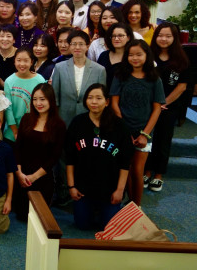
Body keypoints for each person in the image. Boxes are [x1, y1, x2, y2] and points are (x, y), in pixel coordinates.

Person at [66, 84, 133, 230]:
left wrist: (120, 190)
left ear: (107, 102)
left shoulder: (119, 126)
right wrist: (71, 186)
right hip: (83, 189)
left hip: (109, 190)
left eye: (98, 98)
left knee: (107, 228)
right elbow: (70, 158)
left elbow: (125, 162)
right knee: (82, 225)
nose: (94, 102)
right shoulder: (77, 123)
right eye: (90, 98)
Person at [110, 39, 165, 206]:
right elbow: (114, 103)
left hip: (144, 132)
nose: (135, 58)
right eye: (131, 55)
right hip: (122, 130)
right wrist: (124, 131)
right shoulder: (120, 75)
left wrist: (145, 134)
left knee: (137, 171)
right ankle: (128, 203)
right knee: (124, 168)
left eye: (139, 54)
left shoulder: (154, 79)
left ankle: (137, 206)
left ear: (147, 56)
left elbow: (157, 109)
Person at [145, 22, 191, 192]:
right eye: (160, 35)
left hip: (168, 107)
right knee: (148, 138)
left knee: (163, 139)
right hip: (149, 106)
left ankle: (158, 175)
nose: (163, 39)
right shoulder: (148, 56)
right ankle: (146, 171)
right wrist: (154, 103)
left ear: (175, 38)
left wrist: (164, 103)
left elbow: (182, 87)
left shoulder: (182, 59)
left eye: (168, 36)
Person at [13, 84, 65, 220]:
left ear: (51, 100)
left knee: (38, 217)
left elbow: (55, 157)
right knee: (22, 215)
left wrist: (33, 177)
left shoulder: (59, 125)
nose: (38, 103)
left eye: (42, 99)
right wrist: (19, 174)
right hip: (22, 175)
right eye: (35, 99)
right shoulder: (26, 119)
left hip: (42, 176)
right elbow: (18, 148)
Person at [51, 30, 107, 127]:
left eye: (81, 44)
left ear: (87, 46)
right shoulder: (59, 67)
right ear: (69, 46)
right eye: (74, 44)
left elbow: (101, 97)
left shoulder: (99, 70)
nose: (77, 47)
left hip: (89, 117)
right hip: (65, 118)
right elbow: (55, 97)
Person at [3, 47, 46, 144]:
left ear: (32, 62)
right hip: (11, 132)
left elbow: (43, 106)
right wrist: (15, 131)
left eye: (26, 61)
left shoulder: (40, 80)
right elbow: (8, 108)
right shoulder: (9, 81)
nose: (22, 64)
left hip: (34, 129)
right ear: (14, 61)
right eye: (19, 60)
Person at [97, 23, 133, 87]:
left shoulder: (132, 58)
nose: (116, 39)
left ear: (128, 37)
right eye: (113, 36)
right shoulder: (103, 55)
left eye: (120, 36)